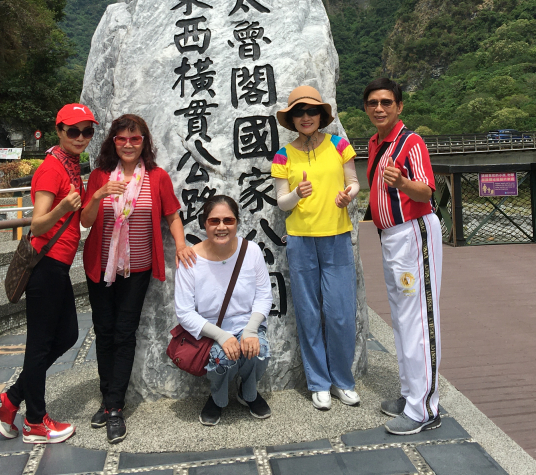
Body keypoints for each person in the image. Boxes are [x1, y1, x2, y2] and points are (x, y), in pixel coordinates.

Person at [0, 103, 95, 444]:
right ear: (59, 130)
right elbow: (38, 223)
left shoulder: (72, 166)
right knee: (41, 344)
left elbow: (84, 220)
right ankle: (34, 422)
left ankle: (9, 400)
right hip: (45, 266)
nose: (80, 138)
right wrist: (63, 206)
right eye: (73, 131)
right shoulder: (51, 169)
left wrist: (98, 194)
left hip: (59, 265)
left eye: (86, 131)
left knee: (66, 336)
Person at [79, 114, 196, 443]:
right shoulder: (101, 175)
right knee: (103, 332)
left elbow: (172, 213)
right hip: (99, 267)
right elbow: (85, 221)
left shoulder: (156, 177)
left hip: (138, 268)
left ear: (144, 143)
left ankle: (115, 407)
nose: (128, 144)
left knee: (124, 332)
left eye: (135, 139)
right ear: (112, 142)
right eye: (122, 139)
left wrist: (182, 245)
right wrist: (100, 193)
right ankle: (107, 400)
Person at [270, 86, 360, 411]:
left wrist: (348, 195)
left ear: (321, 115)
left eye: (311, 111)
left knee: (339, 313)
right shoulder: (283, 154)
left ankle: (342, 381)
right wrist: (298, 194)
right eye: (299, 112)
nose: (305, 117)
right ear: (292, 119)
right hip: (300, 239)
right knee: (309, 313)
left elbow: (353, 181)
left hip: (336, 235)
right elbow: (282, 203)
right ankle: (319, 383)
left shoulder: (339, 145)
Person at [363, 78, 443, 435]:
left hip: (413, 232)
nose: (379, 108)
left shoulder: (411, 142)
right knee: (401, 317)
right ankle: (412, 393)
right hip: (391, 237)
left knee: (419, 318)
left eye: (386, 102)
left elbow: (426, 189)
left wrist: (402, 184)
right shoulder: (376, 142)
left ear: (399, 106)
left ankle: (425, 409)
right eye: (372, 103)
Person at [173, 195, 273, 426]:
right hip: (212, 330)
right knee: (222, 357)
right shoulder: (191, 259)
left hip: (247, 324)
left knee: (260, 350)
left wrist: (250, 330)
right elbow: (184, 312)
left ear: (237, 223)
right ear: (204, 224)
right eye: (214, 221)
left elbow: (264, 295)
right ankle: (217, 399)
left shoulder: (252, 251)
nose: (221, 227)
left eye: (228, 220)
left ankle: (247, 393)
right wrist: (221, 336)